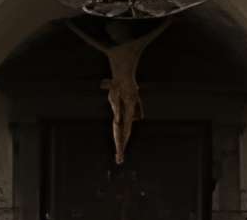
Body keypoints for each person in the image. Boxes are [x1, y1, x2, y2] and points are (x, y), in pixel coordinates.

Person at [67, 17, 174, 164]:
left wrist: (169, 21)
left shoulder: (132, 47)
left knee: (125, 120)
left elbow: (153, 35)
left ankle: (120, 151)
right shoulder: (116, 50)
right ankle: (119, 151)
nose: (114, 36)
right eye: (112, 34)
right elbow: (91, 41)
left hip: (125, 87)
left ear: (123, 31)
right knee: (119, 118)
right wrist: (71, 26)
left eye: (114, 33)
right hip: (118, 87)